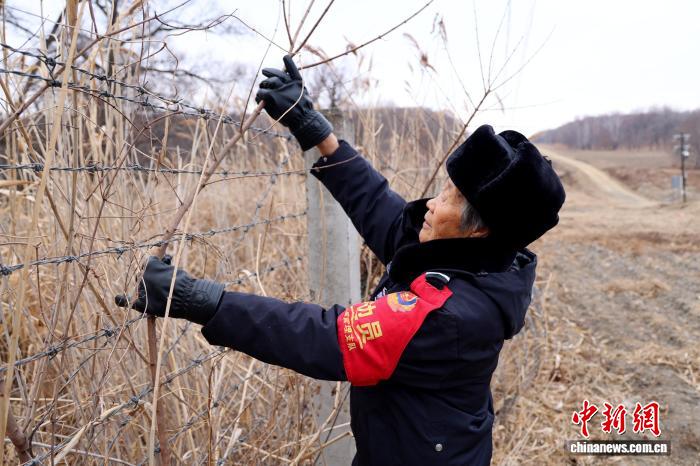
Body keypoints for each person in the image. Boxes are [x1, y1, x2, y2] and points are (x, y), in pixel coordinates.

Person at [116, 55, 566, 465]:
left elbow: (325, 338)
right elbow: (386, 217)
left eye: (449, 197)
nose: (431, 203)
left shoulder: (446, 316)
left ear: (480, 228)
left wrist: (200, 300)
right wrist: (315, 131)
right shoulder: (478, 261)